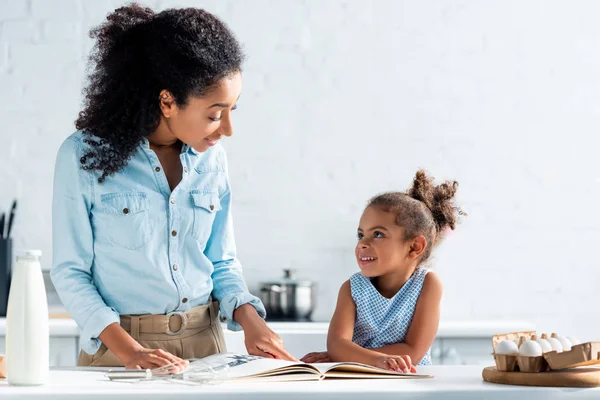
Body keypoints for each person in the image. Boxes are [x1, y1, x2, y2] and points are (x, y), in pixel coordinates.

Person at [51, 3, 295, 371]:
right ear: (167, 101)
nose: (227, 129)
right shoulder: (83, 156)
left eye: (232, 110)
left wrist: (251, 321)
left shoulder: (212, 159)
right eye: (214, 115)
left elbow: (222, 262)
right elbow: (71, 272)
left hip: (205, 345)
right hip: (119, 350)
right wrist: (130, 351)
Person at [301, 170, 465, 372]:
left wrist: (350, 357)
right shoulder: (352, 289)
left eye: (377, 234)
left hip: (410, 382)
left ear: (414, 247)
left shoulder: (428, 285)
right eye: (361, 235)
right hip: (360, 379)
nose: (362, 244)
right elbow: (336, 344)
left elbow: (412, 352)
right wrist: (354, 357)